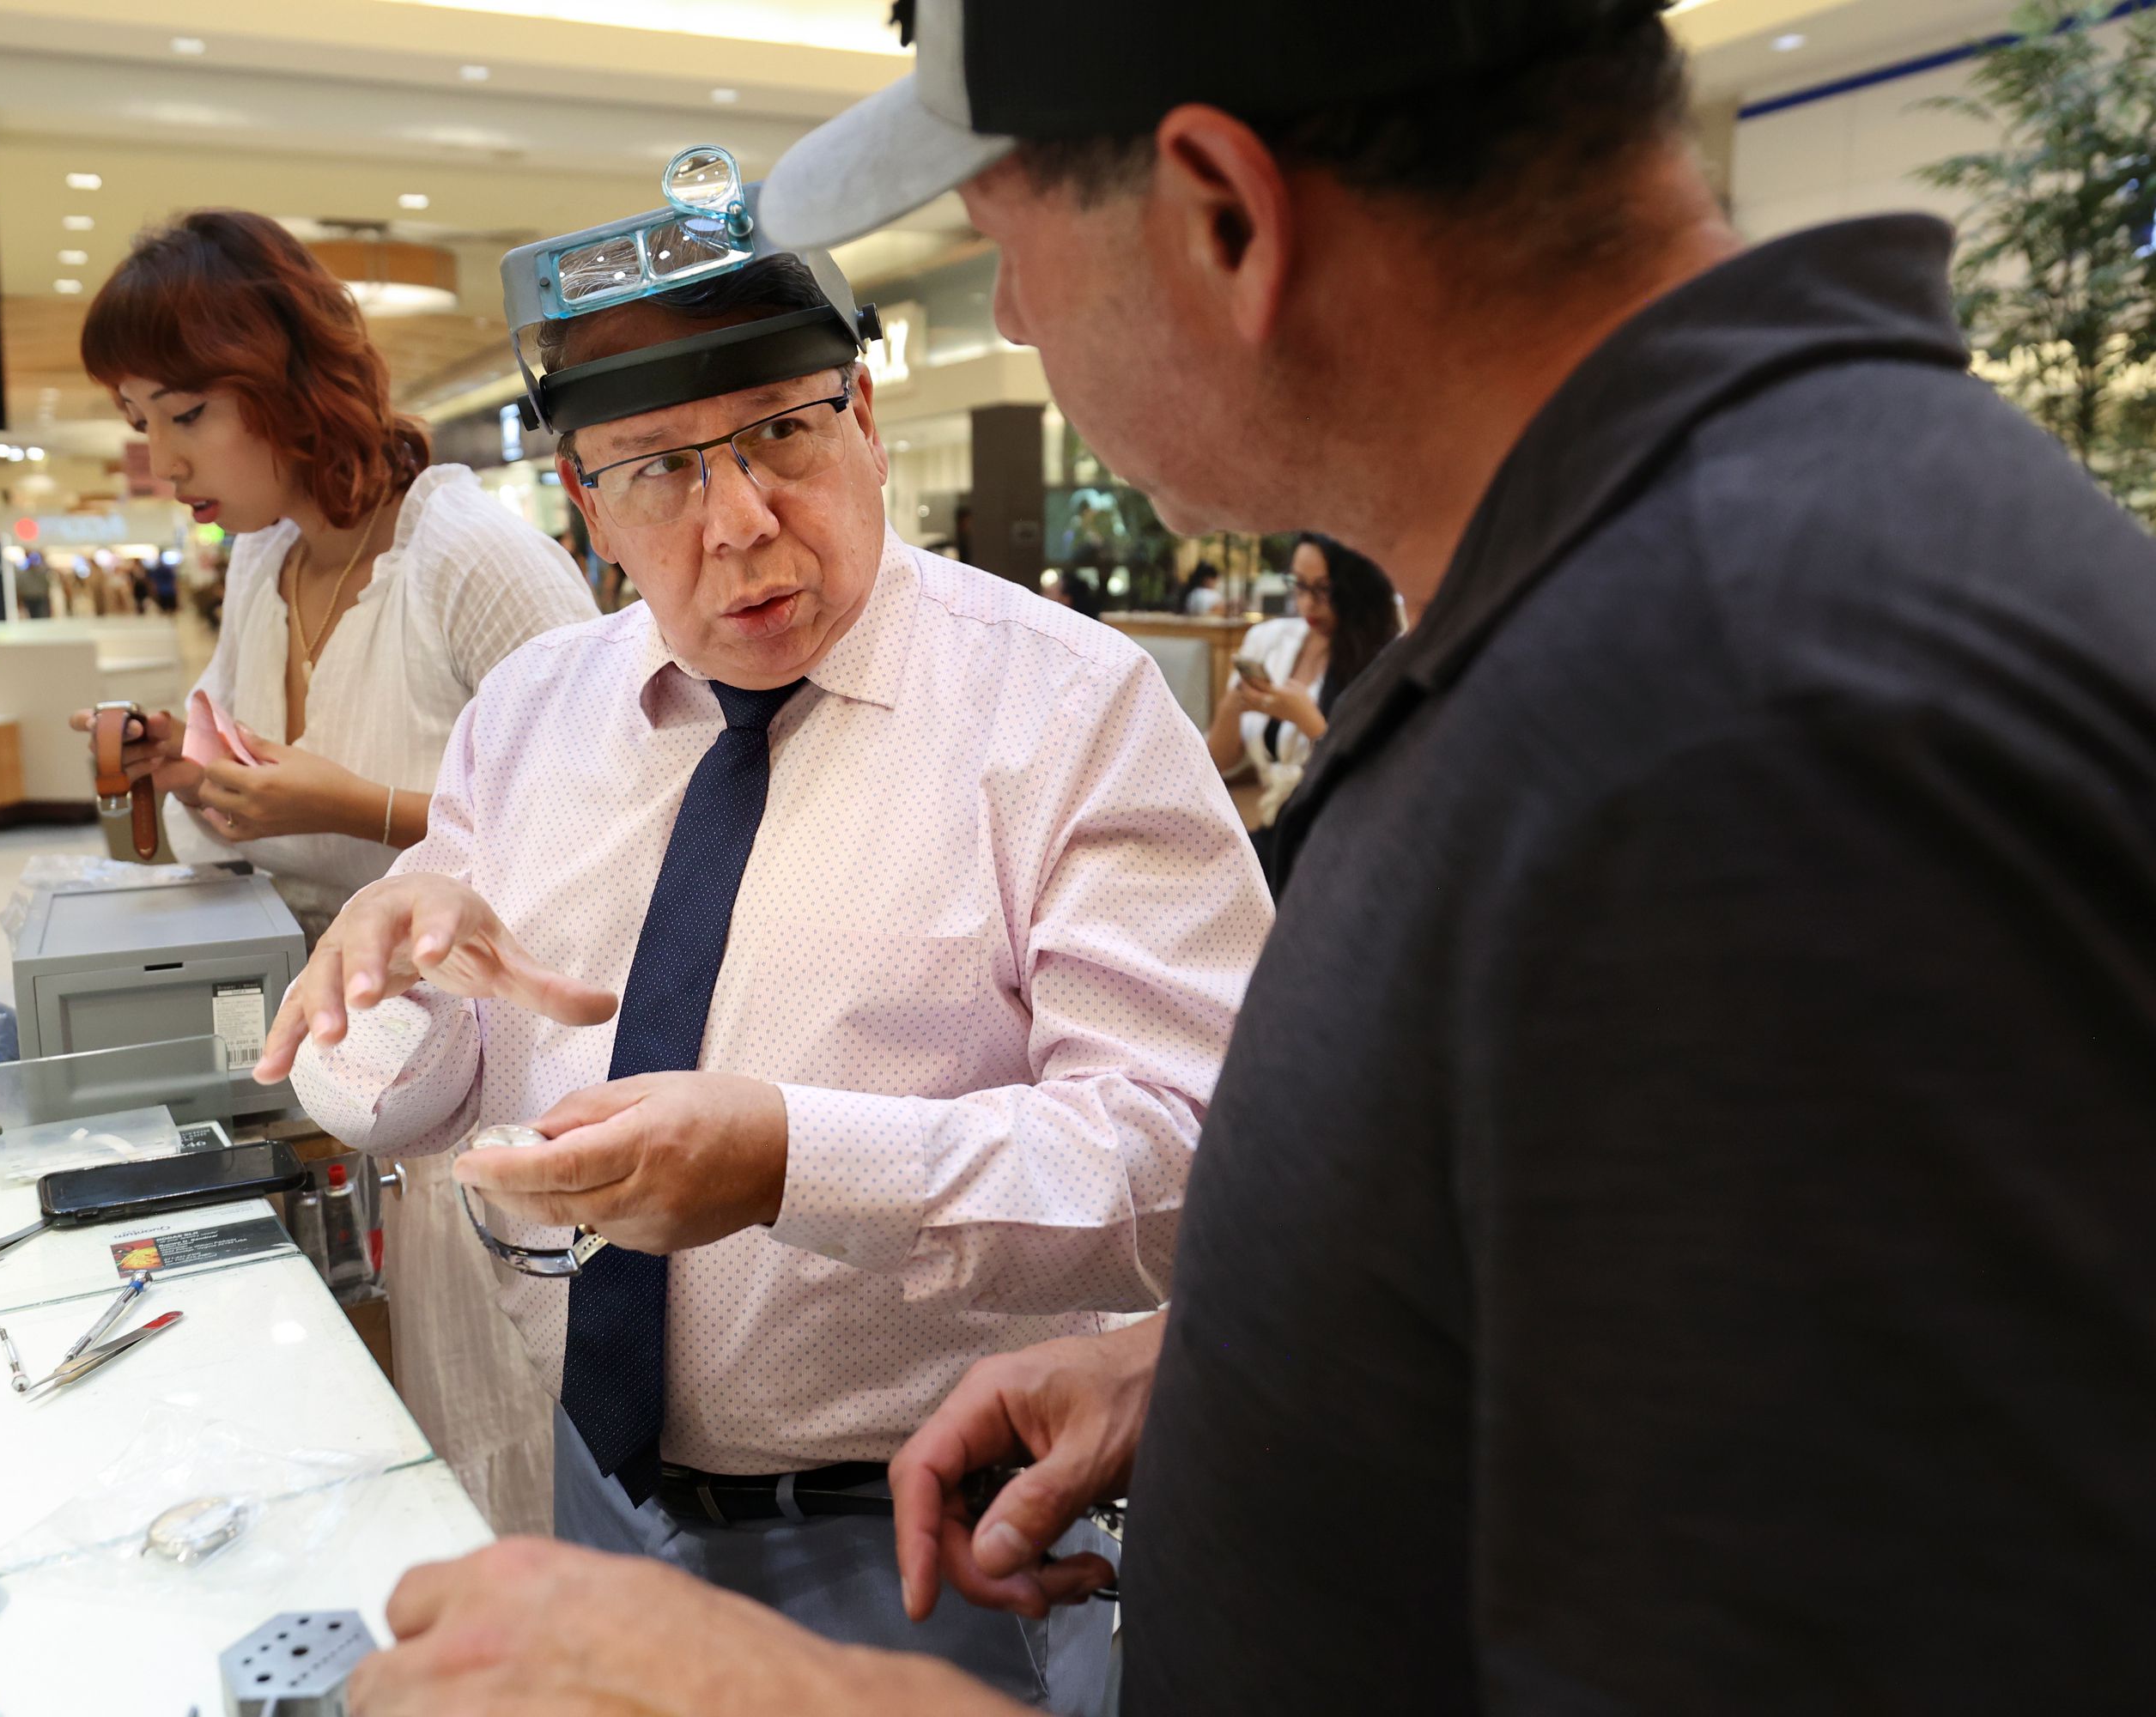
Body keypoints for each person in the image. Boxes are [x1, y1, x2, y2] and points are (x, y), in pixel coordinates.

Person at [340, 2, 2156, 1714]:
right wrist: (1217, 1372)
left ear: (1221, 214)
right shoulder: (1641, 616)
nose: (1018, 320)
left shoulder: (1753, 730)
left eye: (1008, 237)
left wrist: (796, 1693)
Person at [264, 163, 1270, 1714]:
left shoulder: (1065, 711)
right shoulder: (531, 716)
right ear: (586, 503)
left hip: (927, 1523)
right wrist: (393, 980)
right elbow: (397, 1103)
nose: (738, 525)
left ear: (863, 417)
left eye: (783, 436)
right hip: (594, 1483)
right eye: (661, 470)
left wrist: (796, 1163)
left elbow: (1200, 1164)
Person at [72, 209, 598, 1538]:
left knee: (516, 1431)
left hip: (501, 1086)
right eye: (140, 421)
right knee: (418, 1429)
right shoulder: (263, 559)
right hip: (346, 1067)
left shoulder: (467, 560)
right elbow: (247, 786)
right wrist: (187, 772)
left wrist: (356, 806)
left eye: (186, 413)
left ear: (287, 381)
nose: (161, 461)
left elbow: (609, 827)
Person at [1203, 533, 1400, 883]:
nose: (1308, 604)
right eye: (1299, 585)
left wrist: (1307, 720)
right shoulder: (1270, 640)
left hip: (1343, 843)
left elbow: (1376, 781)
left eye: (1323, 590)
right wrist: (1234, 704)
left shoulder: (1385, 657)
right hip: (1279, 833)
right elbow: (1219, 761)